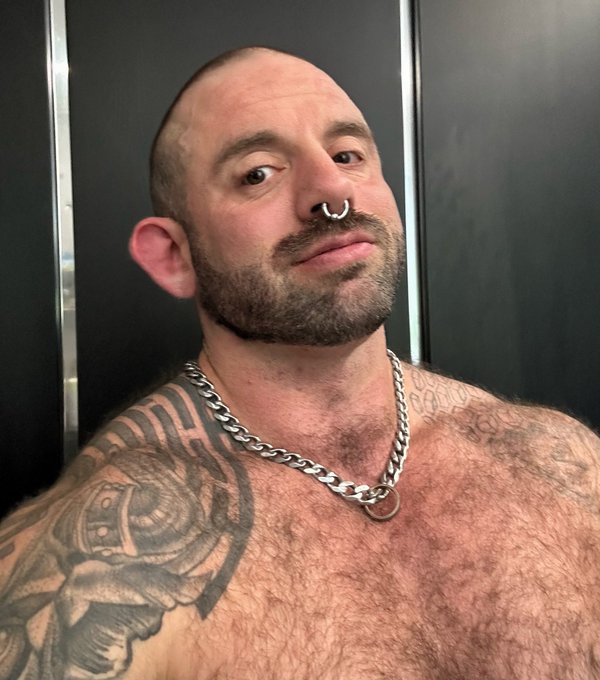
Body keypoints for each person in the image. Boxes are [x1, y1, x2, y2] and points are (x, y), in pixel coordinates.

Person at [1, 45, 599, 680]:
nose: (333, 191)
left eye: (347, 156)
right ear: (174, 257)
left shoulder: (560, 463)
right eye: (258, 173)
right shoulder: (87, 563)